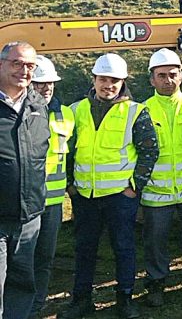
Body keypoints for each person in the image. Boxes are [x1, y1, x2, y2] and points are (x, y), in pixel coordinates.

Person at [62, 53, 158, 319]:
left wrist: (134, 188)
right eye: (103, 79)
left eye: (114, 80)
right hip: (85, 195)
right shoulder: (75, 110)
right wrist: (70, 186)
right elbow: (66, 151)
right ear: (94, 79)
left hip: (120, 196)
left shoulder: (135, 111)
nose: (109, 85)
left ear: (123, 82)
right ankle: (81, 300)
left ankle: (125, 299)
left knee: (124, 248)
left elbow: (150, 151)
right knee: (84, 249)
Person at [140, 49, 182, 308]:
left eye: (172, 74)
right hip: (156, 191)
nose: (168, 80)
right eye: (161, 75)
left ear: (181, 75)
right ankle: (156, 282)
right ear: (151, 79)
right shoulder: (142, 110)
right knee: (155, 240)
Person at [0, 42, 49, 319]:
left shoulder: (37, 106)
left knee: (21, 286)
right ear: (1, 65)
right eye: (17, 63)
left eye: (30, 65)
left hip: (28, 218)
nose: (24, 71)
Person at [28, 56, 73, 316]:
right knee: (19, 258)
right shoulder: (15, 113)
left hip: (53, 202)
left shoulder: (66, 114)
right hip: (24, 202)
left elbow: (73, 154)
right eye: (40, 83)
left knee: (45, 257)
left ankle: (37, 303)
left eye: (50, 83)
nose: (46, 88)